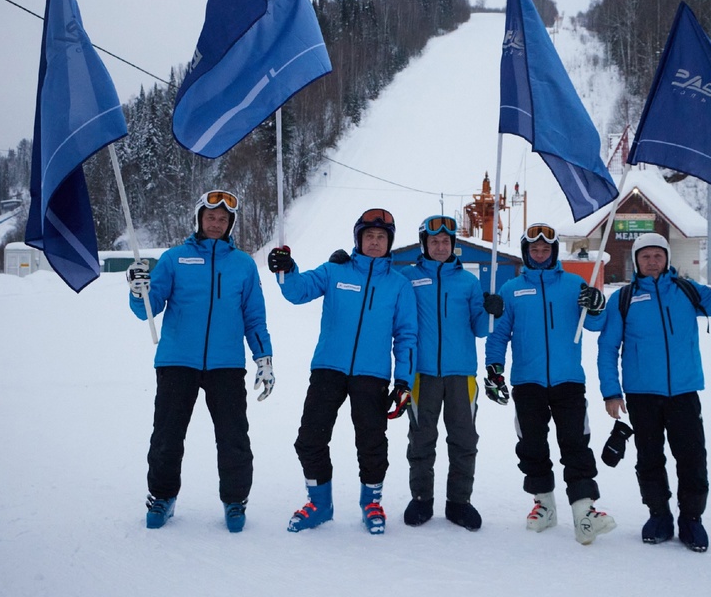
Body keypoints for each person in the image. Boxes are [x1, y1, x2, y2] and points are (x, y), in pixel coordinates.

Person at [127, 189, 274, 533]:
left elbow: (254, 318)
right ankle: (162, 497)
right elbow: (147, 309)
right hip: (178, 361)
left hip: (226, 364)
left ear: (230, 224)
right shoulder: (174, 258)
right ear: (198, 219)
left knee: (233, 437)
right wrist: (139, 291)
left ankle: (235, 501)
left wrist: (263, 358)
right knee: (167, 435)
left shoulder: (243, 265)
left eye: (223, 219)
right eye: (211, 217)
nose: (216, 223)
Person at [596, 232, 711, 553]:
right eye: (645, 257)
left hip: (683, 391)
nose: (652, 262)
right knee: (649, 458)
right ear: (636, 261)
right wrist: (611, 392)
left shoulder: (686, 290)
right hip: (642, 395)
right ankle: (659, 516)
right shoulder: (623, 299)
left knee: (692, 458)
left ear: (667, 258)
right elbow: (607, 347)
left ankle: (691, 519)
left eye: (657, 256)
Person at [267, 208, 417, 535]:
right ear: (358, 240)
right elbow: (297, 291)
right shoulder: (335, 271)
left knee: (372, 443)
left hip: (373, 375)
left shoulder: (399, 286)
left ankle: (371, 502)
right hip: (328, 369)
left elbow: (406, 336)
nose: (375, 242)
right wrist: (286, 269)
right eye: (369, 236)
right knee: (309, 439)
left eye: (381, 237)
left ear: (389, 242)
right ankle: (320, 504)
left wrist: (404, 380)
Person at [484, 222, 616, 545]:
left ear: (554, 251)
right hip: (527, 382)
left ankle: (584, 510)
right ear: (527, 252)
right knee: (532, 445)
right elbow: (499, 334)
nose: (539, 253)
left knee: (575, 443)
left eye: (545, 249)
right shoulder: (512, 290)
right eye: (534, 249)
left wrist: (597, 305)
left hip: (568, 380)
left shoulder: (574, 284)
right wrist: (494, 367)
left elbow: (596, 323)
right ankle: (544, 506)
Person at [399, 215, 503, 531]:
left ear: (453, 245)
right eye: (434, 242)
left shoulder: (468, 282)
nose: (441, 246)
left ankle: (459, 502)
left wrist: (490, 312)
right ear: (424, 245)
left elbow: (480, 329)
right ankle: (421, 500)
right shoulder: (408, 278)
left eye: (446, 242)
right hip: (422, 374)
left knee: (463, 439)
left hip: (461, 374)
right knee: (421, 439)